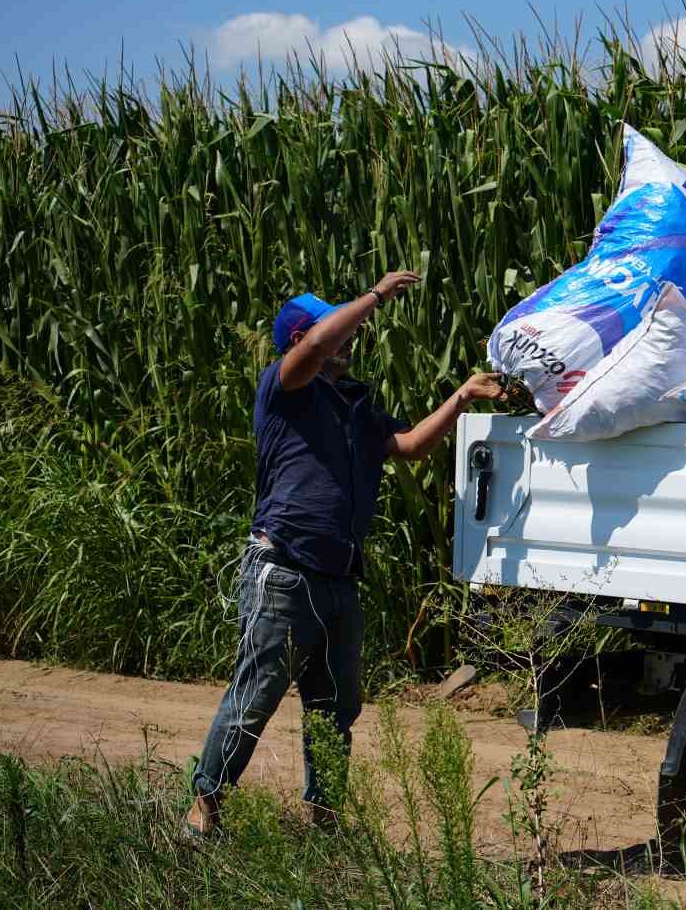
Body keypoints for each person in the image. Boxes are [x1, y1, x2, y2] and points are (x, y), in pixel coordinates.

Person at [185, 270, 504, 837]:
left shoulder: (356, 405)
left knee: (335, 709)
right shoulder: (285, 388)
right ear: (308, 338)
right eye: (336, 332)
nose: (349, 342)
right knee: (256, 694)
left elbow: (407, 447)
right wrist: (375, 296)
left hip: (339, 578)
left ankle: (324, 822)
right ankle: (204, 808)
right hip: (283, 569)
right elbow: (313, 346)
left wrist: (461, 398)